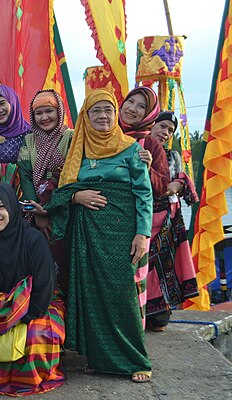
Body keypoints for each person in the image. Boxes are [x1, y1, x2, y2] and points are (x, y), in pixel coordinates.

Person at [45, 89, 153, 383]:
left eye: (108, 110)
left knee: (120, 293)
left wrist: (142, 234)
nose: (103, 116)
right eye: (96, 111)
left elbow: (144, 194)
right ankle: (99, 359)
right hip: (86, 234)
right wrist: (76, 196)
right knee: (90, 292)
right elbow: (62, 192)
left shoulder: (132, 149)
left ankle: (135, 360)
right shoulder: (78, 149)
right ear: (86, 117)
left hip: (121, 232)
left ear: (115, 114)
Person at [0, 183, 65, 396]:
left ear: (11, 208)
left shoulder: (33, 240)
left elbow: (44, 286)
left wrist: (21, 317)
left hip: (36, 305)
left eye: (0, 207)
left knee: (37, 336)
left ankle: (29, 378)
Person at [146, 111, 199, 331]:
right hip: (142, 219)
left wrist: (179, 181)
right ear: (151, 125)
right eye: (162, 126)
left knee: (164, 267)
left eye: (170, 130)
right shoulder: (135, 149)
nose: (166, 133)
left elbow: (177, 180)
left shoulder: (173, 157)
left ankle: (158, 314)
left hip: (167, 221)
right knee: (142, 267)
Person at [18, 89, 74, 292]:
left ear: (59, 112)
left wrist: (50, 209)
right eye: (38, 113)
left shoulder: (71, 138)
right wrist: (38, 212)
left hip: (65, 208)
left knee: (66, 258)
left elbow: (72, 174)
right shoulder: (29, 141)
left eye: (49, 111)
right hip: (35, 209)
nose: (44, 117)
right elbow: (25, 174)